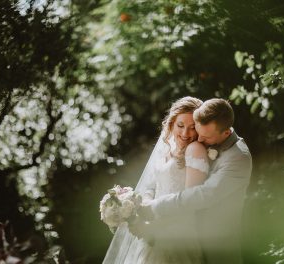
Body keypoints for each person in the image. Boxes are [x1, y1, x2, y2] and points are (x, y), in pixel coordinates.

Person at [137, 98, 253, 264]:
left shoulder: (238, 157)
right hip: (179, 233)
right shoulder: (194, 139)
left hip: (216, 245)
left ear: (226, 133)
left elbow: (202, 195)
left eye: (204, 136)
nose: (197, 139)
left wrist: (152, 209)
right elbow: (154, 182)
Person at [103, 96, 210, 264]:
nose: (185, 134)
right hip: (152, 231)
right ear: (172, 123)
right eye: (180, 125)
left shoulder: (196, 151)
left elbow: (190, 202)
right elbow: (152, 186)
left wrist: (152, 227)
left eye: (192, 128)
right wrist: (139, 206)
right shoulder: (168, 148)